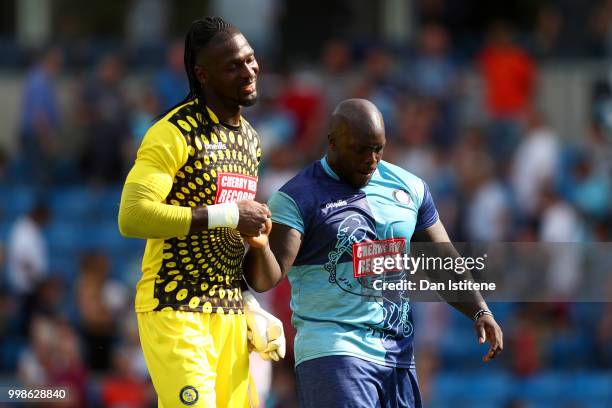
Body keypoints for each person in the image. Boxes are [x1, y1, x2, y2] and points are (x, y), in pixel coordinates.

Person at [244, 99, 503, 407]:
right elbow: (267, 278)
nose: (371, 159)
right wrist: (259, 248)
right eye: (360, 149)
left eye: (378, 148)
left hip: (397, 354)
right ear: (332, 142)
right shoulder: (296, 198)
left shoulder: (409, 188)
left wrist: (480, 309)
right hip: (334, 351)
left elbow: (441, 261)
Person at [118, 17, 285, 407]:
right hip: (175, 306)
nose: (249, 70)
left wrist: (247, 300)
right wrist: (227, 215)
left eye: (250, 59)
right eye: (233, 65)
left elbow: (229, 238)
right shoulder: (172, 133)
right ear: (202, 74)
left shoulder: (250, 140)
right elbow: (132, 215)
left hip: (229, 314)